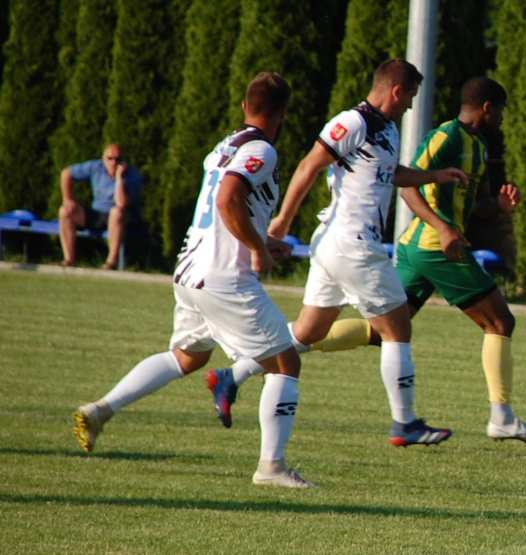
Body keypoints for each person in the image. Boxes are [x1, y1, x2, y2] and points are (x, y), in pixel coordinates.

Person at [72, 72, 315, 488]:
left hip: (189, 270)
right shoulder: (263, 149)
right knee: (285, 362)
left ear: (244, 106)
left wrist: (265, 240)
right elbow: (227, 199)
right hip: (224, 278)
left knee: (188, 356)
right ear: (282, 115)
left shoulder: (223, 146)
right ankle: (270, 468)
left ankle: (101, 410)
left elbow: (226, 209)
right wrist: (258, 249)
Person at [208, 59, 466, 447]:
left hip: (336, 246)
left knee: (310, 332)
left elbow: (389, 174)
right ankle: (405, 423)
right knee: (397, 329)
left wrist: (434, 176)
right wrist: (281, 221)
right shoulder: (353, 122)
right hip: (352, 242)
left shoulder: (387, 129)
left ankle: (232, 376)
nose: (410, 105)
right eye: (410, 97)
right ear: (396, 91)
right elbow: (310, 165)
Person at [58, 144, 142, 269]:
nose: (113, 162)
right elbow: (66, 173)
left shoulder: (132, 175)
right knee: (65, 211)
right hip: (96, 213)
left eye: (117, 159)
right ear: (103, 159)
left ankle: (110, 262)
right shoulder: (95, 167)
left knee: (116, 212)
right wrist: (67, 199)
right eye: (110, 158)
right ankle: (69, 259)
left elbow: (121, 203)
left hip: (121, 218)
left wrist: (119, 178)